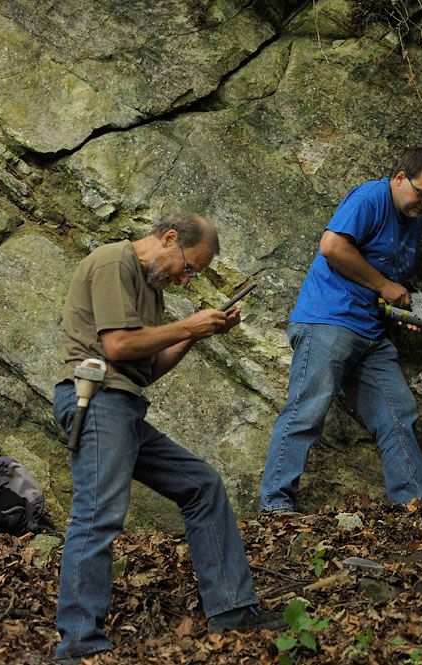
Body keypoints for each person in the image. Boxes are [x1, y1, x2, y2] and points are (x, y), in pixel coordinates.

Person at [52, 213, 284, 664]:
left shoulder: (150, 289)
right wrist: (188, 326)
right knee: (98, 513)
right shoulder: (113, 261)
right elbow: (118, 346)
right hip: (96, 399)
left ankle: (233, 610)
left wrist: (199, 335)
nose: (185, 277)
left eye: (192, 273)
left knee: (202, 485)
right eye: (188, 266)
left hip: (122, 404)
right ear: (169, 238)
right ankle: (78, 644)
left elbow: (147, 368)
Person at [259, 149, 422, 514]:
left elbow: (392, 277)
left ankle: (416, 503)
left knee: (398, 411)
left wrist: (407, 304)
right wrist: (383, 286)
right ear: (398, 178)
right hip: (327, 321)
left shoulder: (412, 219)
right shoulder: (370, 197)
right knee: (306, 411)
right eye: (421, 193)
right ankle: (275, 507)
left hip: (372, 333)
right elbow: (332, 246)